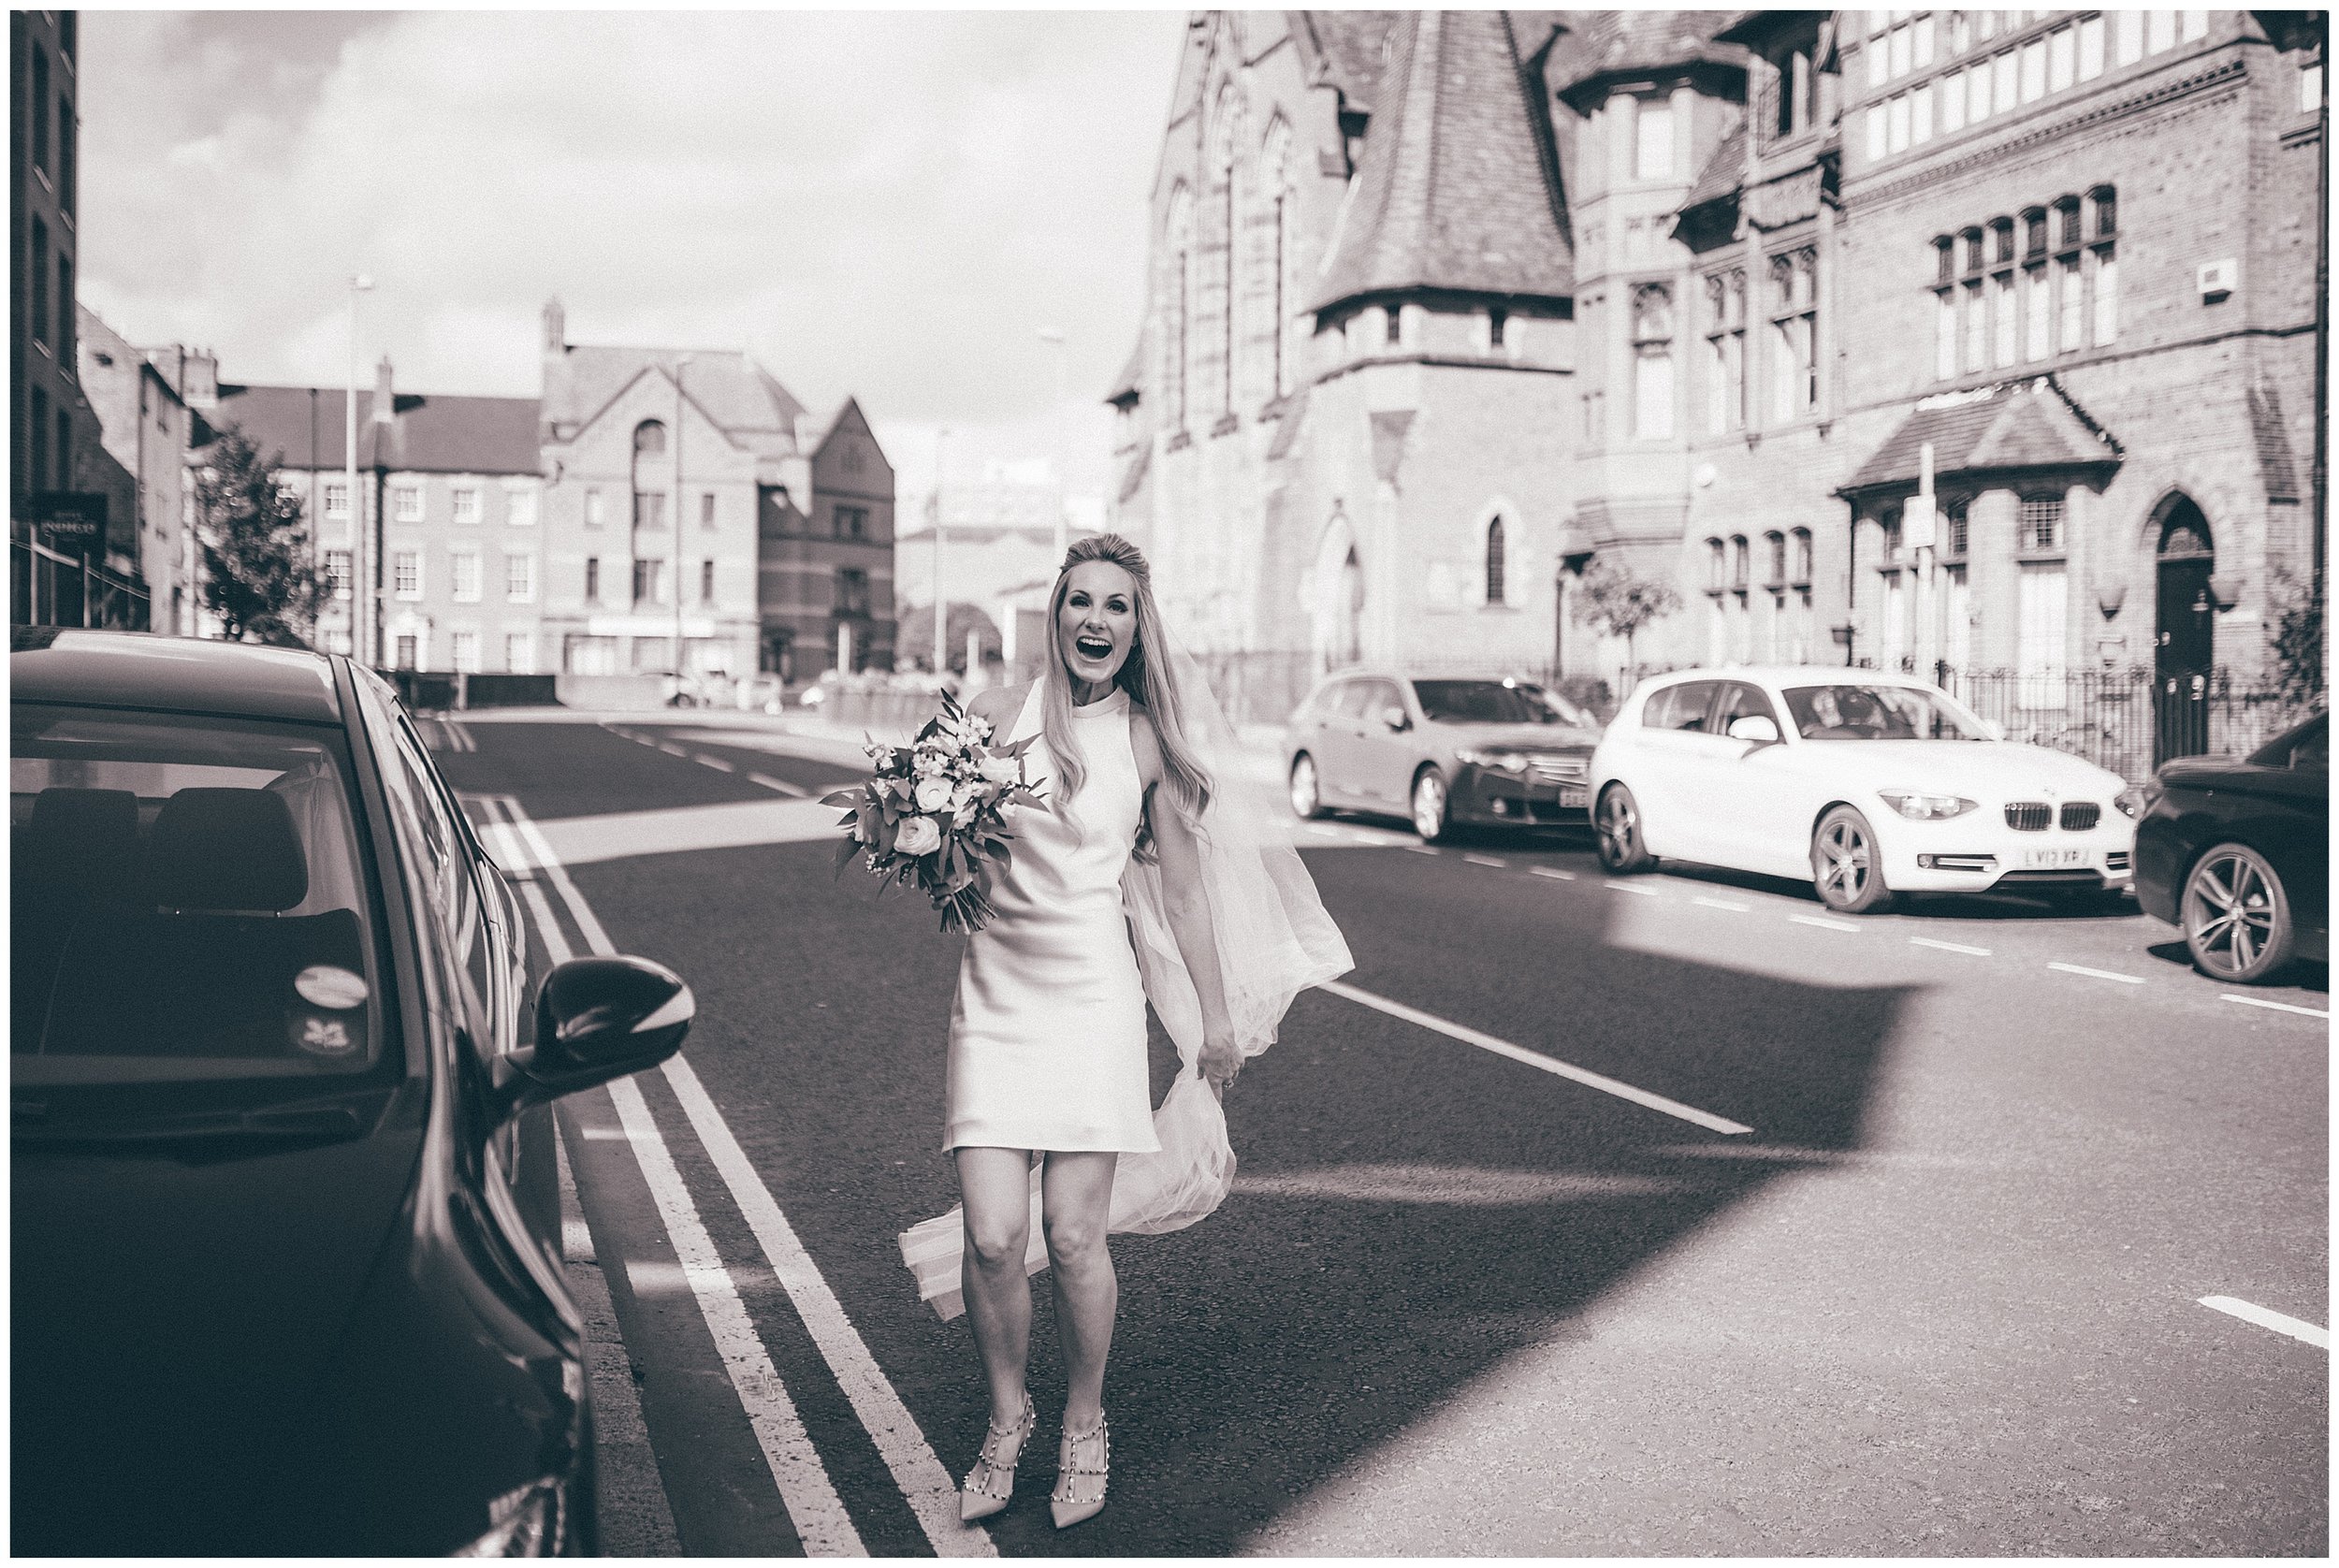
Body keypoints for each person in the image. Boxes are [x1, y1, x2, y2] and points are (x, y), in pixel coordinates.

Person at [920, 533, 1349, 1531]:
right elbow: (954, 848)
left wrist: (1211, 1017)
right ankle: (1004, 1416)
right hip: (993, 996)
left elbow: (1188, 893)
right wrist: (927, 845)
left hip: (1091, 998)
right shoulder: (995, 719)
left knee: (1071, 1235)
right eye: (1081, 602)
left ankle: (1081, 1419)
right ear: (1057, 616)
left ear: (1134, 626)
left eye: (1116, 605)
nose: (1096, 620)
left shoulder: (1147, 742)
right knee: (991, 1236)